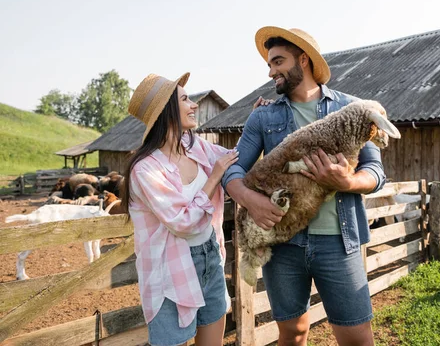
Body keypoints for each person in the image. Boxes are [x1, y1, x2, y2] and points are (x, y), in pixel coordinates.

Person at [222, 27, 387, 346]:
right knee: (293, 333)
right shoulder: (262, 117)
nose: (271, 71)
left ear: (304, 59)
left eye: (278, 61)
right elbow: (234, 168)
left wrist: (348, 181)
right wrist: (248, 200)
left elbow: (376, 171)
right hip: (283, 245)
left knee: (357, 337)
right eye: (269, 65)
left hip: (339, 242)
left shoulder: (353, 108)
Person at [122, 72, 239, 346]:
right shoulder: (146, 169)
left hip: (210, 256)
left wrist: (258, 121)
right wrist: (213, 179)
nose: (194, 105)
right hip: (169, 270)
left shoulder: (195, 146)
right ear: (166, 111)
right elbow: (182, 223)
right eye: (185, 99)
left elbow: (234, 156)